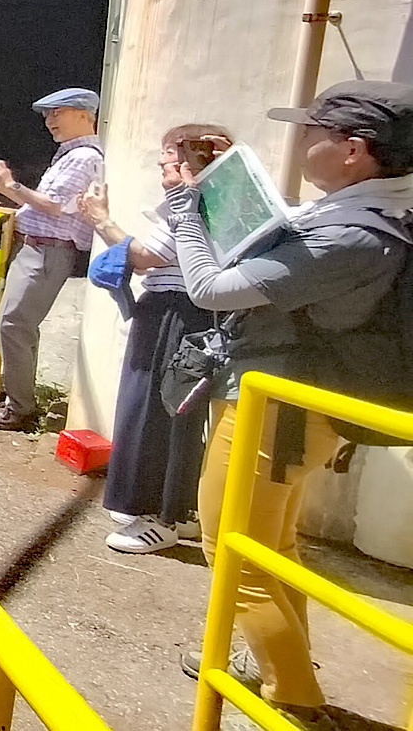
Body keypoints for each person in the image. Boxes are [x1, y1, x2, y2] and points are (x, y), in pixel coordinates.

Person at [165, 81, 413, 725]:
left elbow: (211, 288)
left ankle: (295, 701)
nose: (300, 142)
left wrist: (184, 207)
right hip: (296, 403)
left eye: (311, 132)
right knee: (271, 546)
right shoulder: (369, 212)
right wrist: (220, 179)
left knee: (231, 549)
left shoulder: (353, 235)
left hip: (277, 407)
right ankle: (275, 661)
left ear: (354, 150)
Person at [78, 124, 234, 554]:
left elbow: (148, 258)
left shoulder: (193, 201)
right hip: (188, 315)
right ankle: (176, 512)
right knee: (174, 417)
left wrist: (101, 219)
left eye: (169, 155)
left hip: (174, 315)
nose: (162, 164)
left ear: (191, 160)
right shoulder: (218, 200)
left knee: (151, 413)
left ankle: (157, 517)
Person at [0, 88, 106, 430]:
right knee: (17, 325)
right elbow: (46, 205)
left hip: (47, 250)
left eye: (57, 113)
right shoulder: (72, 154)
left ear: (84, 114)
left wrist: (12, 186)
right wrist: (6, 189)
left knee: (12, 325)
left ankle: (19, 408)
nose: (50, 121)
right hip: (40, 248)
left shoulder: (83, 157)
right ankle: (18, 401)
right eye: (47, 115)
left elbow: (54, 206)